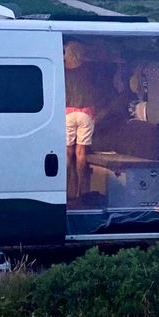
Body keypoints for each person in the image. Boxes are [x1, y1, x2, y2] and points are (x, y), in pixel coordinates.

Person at [64, 40, 101, 199]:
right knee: (81, 152)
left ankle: (66, 189)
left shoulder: (63, 71)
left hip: (68, 113)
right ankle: (80, 190)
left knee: (67, 152)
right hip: (86, 113)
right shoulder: (88, 70)